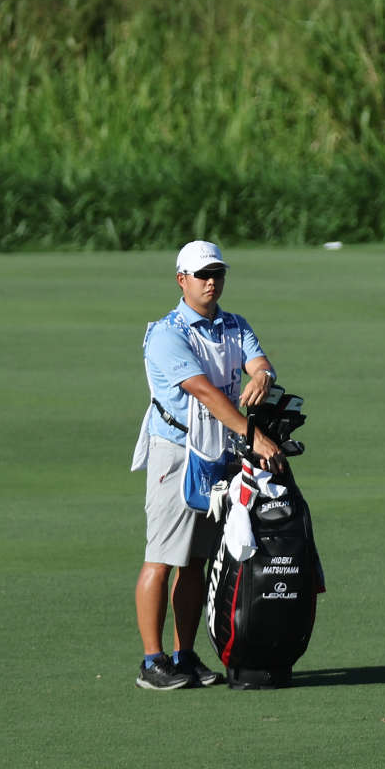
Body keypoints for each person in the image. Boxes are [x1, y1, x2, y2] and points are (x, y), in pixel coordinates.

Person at [130, 240, 285, 690]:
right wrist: (253, 436)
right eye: (202, 275)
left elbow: (259, 362)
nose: (211, 281)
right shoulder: (167, 332)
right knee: (161, 557)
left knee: (196, 561)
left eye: (217, 272)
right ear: (182, 280)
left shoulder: (234, 325)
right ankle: (151, 661)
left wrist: (262, 375)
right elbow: (205, 392)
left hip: (219, 454)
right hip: (176, 453)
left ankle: (184, 655)